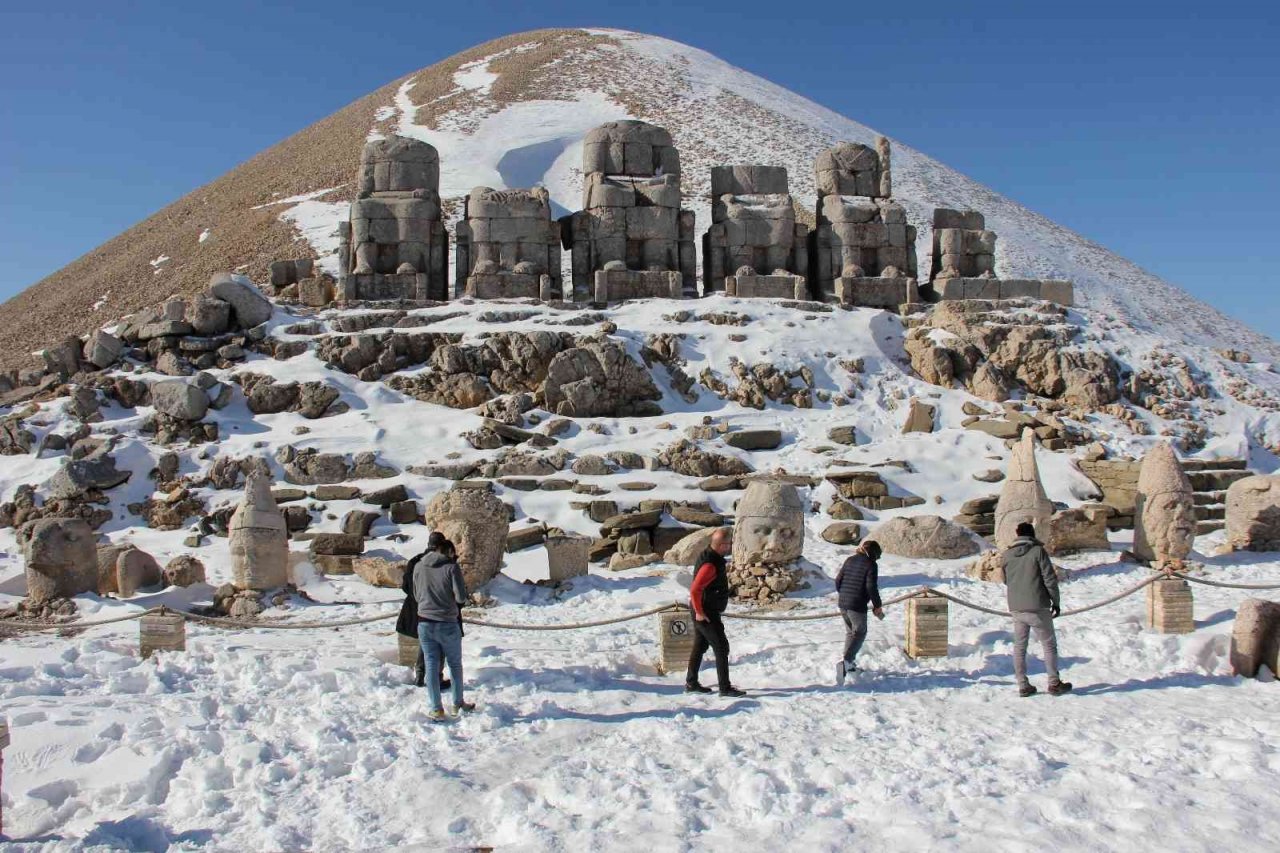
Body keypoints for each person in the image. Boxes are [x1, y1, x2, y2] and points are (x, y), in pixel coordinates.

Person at [1002, 521, 1073, 697]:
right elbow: (1049, 578)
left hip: (1017, 606)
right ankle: (1054, 682)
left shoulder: (1007, 555)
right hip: (1038, 604)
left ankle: (1023, 684)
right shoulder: (1037, 551)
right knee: (1048, 645)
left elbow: (1005, 579)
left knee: (1019, 647)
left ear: (1017, 534)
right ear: (1032, 534)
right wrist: (1055, 601)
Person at [414, 531, 475, 720]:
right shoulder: (451, 567)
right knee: (455, 664)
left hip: (424, 621)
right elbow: (460, 597)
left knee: (431, 664)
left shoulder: (418, 566)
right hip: (447, 622)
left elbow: (416, 595)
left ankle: (436, 707)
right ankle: (457, 703)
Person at [685, 528, 745, 697]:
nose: (729, 547)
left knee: (700, 645)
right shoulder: (711, 563)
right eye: (728, 544)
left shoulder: (711, 555)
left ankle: (691, 682)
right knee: (721, 647)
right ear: (721, 545)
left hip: (705, 609)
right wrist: (699, 612)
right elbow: (695, 589)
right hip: (705, 612)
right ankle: (725, 688)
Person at [397, 551, 450, 691]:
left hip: (416, 607)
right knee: (437, 644)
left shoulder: (415, 560)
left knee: (425, 642)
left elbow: (406, 587)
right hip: (435, 608)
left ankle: (420, 675)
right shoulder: (444, 563)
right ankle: (436, 677)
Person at [834, 539, 884, 686]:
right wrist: (877, 605)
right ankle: (846, 663)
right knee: (860, 632)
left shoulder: (849, 560)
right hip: (857, 604)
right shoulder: (871, 565)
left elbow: (838, 581)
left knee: (851, 633)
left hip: (843, 602)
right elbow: (871, 587)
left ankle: (849, 665)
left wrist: (844, 595)